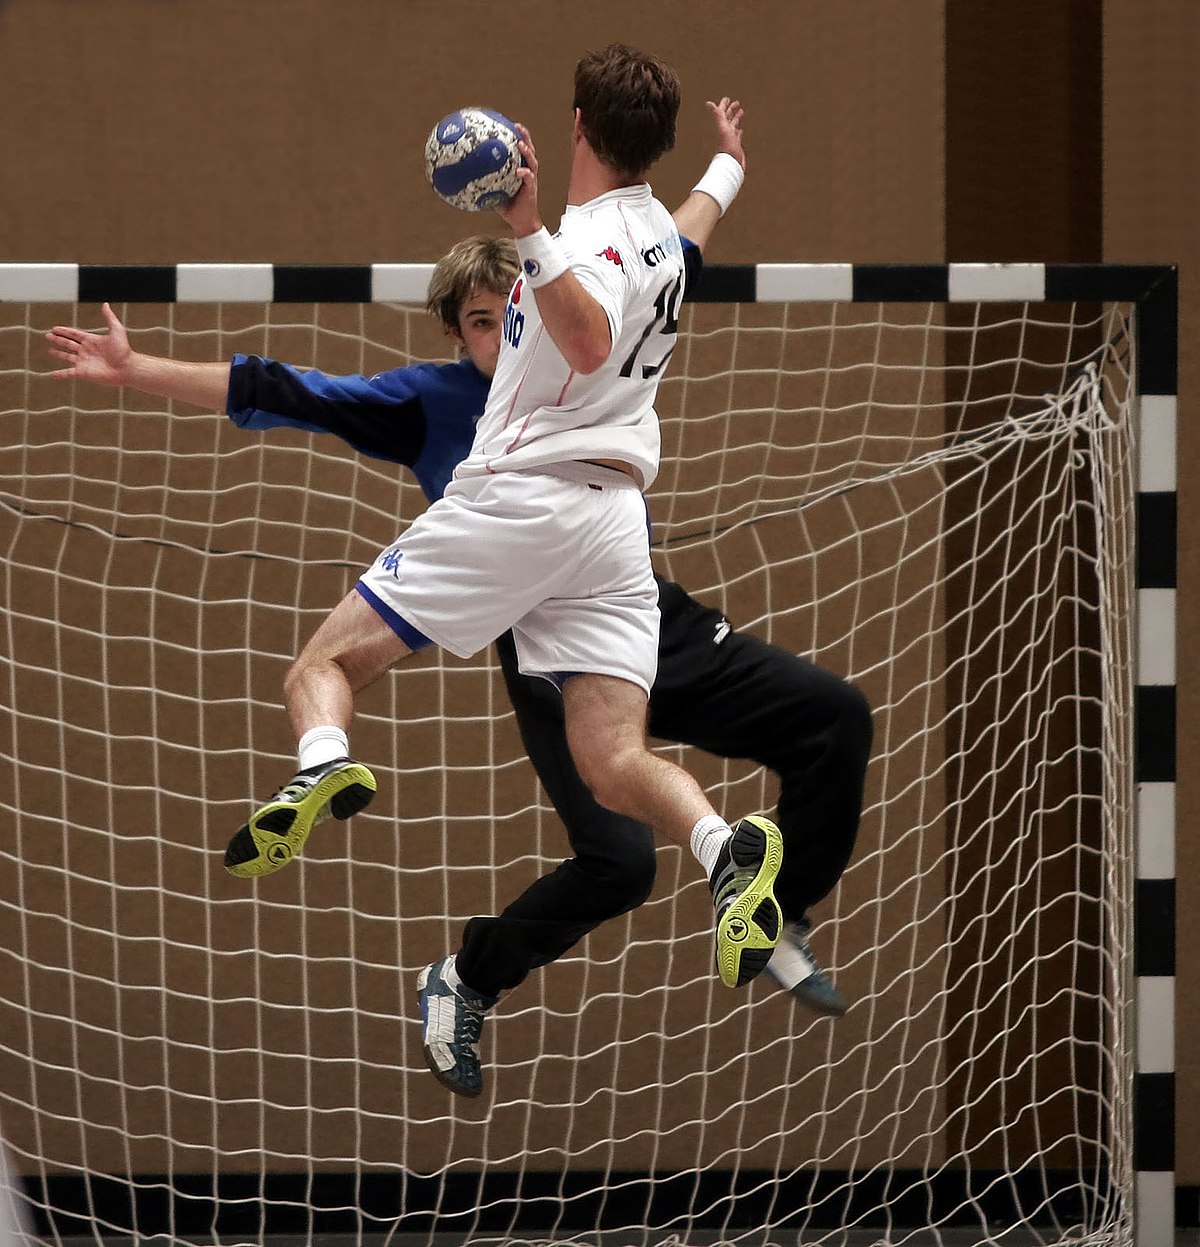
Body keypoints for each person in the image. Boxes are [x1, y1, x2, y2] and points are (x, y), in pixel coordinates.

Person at [47, 61, 871, 1098]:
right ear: (456, 328)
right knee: (616, 808)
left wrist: (532, 225)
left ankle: (327, 755)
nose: (498, 330)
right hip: (587, 544)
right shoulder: (475, 367)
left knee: (331, 660)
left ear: (574, 126)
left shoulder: (570, 259)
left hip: (545, 519)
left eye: (505, 312)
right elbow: (286, 389)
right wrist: (729, 163)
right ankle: (719, 850)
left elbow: (584, 326)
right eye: (483, 320)